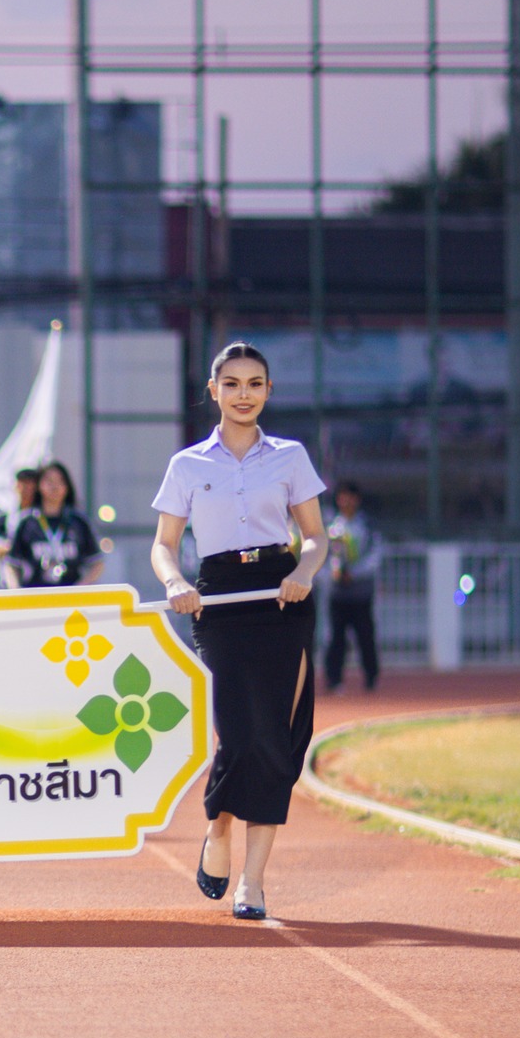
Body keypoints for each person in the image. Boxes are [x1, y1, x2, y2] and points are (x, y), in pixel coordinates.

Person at [151, 341, 327, 921]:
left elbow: (315, 536)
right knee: (237, 734)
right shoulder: (187, 465)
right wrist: (175, 581)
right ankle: (219, 828)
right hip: (220, 598)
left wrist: (303, 571)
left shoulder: (291, 457)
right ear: (214, 391)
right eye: (232, 384)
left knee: (275, 738)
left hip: (282, 596)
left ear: (269, 391)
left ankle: (252, 882)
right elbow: (164, 544)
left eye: (254, 384)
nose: (243, 394)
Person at [4, 462, 105, 589]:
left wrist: (81, 587)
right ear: (38, 486)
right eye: (49, 481)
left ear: (67, 487)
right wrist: (16, 590)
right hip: (35, 594)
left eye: (60, 481)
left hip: (71, 595)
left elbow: (97, 563)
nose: (55, 486)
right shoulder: (27, 522)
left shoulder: (79, 522)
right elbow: (11, 564)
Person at [322, 481, 380, 694]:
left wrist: (353, 573)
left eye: (350, 497)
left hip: (361, 593)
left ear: (357, 500)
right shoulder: (331, 526)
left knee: (365, 636)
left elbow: (375, 556)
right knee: (335, 638)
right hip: (337, 593)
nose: (346, 501)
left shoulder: (367, 526)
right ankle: (333, 679)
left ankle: (371, 677)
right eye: (342, 497)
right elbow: (324, 554)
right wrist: (334, 573)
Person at [0, 467, 40, 584]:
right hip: (10, 578)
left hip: (39, 579)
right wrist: (19, 545)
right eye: (22, 483)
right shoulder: (3, 515)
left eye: (30, 484)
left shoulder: (41, 514)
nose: (26, 489)